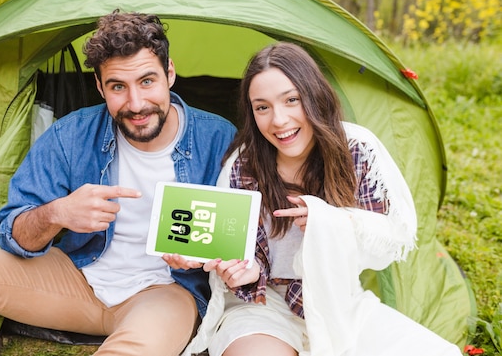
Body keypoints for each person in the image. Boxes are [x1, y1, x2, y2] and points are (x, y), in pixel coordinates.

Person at [0, 10, 237, 356]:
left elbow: (246, 239)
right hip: (77, 279)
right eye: (117, 86)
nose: (136, 102)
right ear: (99, 86)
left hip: (164, 292)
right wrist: (58, 213)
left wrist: (205, 258)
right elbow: (11, 231)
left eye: (147, 81)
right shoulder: (71, 135)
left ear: (169, 73)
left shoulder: (219, 139)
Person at [181, 42, 462, 356]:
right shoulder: (242, 167)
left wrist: (333, 221)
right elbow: (238, 255)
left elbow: (386, 245)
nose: (279, 120)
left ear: (314, 96)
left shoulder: (355, 149)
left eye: (292, 100)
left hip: (338, 303)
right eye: (262, 107)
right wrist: (247, 273)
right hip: (264, 307)